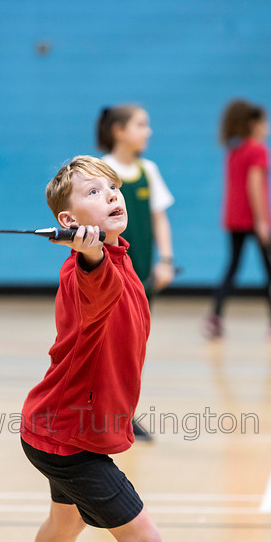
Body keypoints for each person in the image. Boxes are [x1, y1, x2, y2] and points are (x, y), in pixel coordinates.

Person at [5, 156, 162, 542]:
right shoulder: (88, 272)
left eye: (112, 187)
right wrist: (89, 250)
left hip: (55, 424)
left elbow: (105, 263)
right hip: (71, 438)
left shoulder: (117, 254)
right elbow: (95, 282)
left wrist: (99, 246)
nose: (112, 195)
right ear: (70, 222)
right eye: (95, 192)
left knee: (66, 519)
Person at [96, 104, 176, 440]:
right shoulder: (99, 170)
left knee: (133, 348)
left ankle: (121, 414)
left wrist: (166, 260)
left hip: (142, 276)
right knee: (104, 347)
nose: (148, 131)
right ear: (119, 131)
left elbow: (159, 217)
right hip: (106, 275)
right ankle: (100, 414)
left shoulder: (148, 170)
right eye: (141, 124)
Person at [204, 99, 271, 339]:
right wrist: (262, 221)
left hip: (234, 219)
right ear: (254, 124)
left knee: (232, 268)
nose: (269, 128)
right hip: (255, 220)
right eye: (266, 123)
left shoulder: (234, 149)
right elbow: (254, 186)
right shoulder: (258, 150)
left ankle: (215, 317)